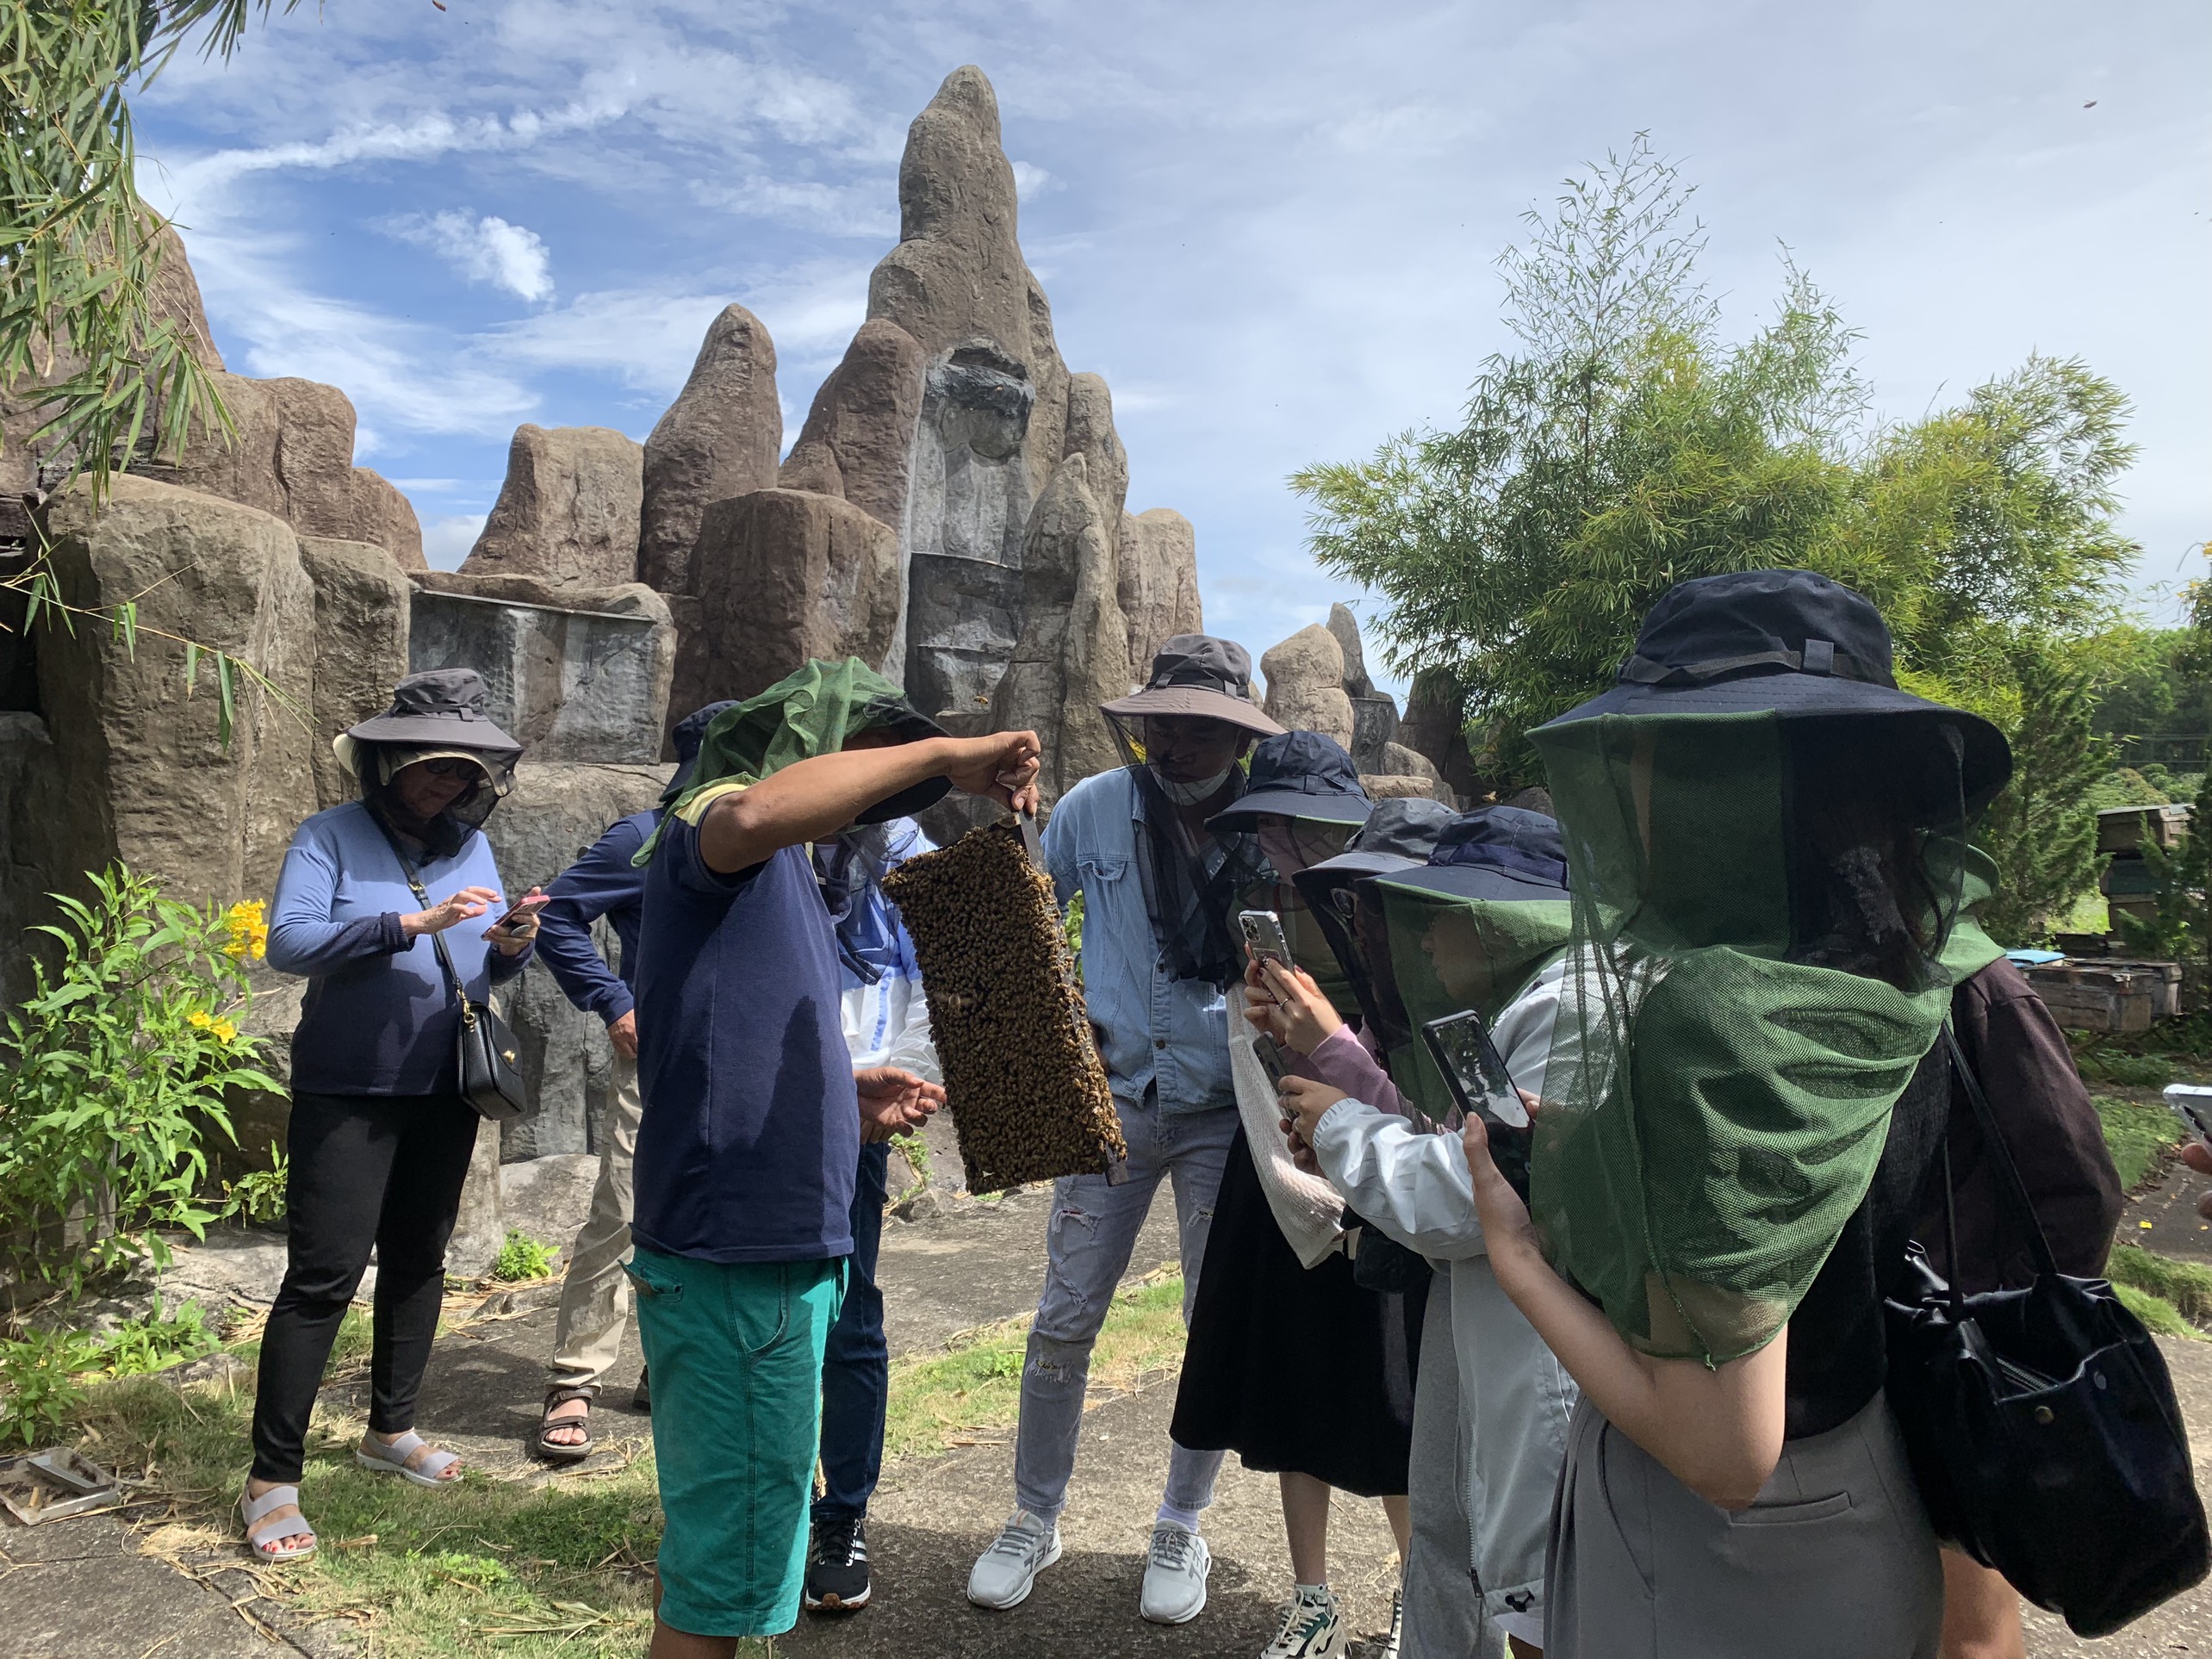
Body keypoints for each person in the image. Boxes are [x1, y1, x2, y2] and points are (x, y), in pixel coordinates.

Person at [1452, 569, 2015, 1657]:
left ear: (1743, 779)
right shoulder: (1924, 958)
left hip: (1715, 1551)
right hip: (1871, 1496)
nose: (1632, 796)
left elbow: (1723, 1448)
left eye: (1656, 762)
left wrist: (1515, 1253)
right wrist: (1601, 1144)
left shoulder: (1724, 1020)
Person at [628, 658, 1039, 1659]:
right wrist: (948, 753)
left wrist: (839, 1096)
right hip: (741, 1263)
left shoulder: (788, 883)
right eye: (871, 765)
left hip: (763, 1254)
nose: (886, 791)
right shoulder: (717, 833)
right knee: (729, 1579)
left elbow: (728, 1029)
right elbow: (754, 812)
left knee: (737, 1560)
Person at [966, 634, 1284, 1626]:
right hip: (1111, 1106)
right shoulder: (1093, 809)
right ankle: (1033, 1514)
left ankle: (1181, 1521)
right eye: (1166, 724)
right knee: (1064, 1317)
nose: (1181, 742)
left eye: (1205, 728)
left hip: (1223, 1113)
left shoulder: (1271, 824)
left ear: (1238, 736)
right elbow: (1021, 921)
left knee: (1208, 1327)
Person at [240, 668, 542, 1563]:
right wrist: (410, 926)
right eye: (434, 769)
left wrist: (511, 942)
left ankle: (390, 1432)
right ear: (387, 764)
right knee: (323, 1279)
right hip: (348, 1088)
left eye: (464, 774)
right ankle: (271, 1480)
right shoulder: (328, 836)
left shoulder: (470, 848)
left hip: (446, 1084)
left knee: (418, 1262)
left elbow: (479, 968)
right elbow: (289, 944)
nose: (448, 786)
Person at [1270, 806, 1579, 1659]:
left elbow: (1464, 1201)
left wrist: (1341, 1128)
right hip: (1487, 1323)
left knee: (1540, 1594)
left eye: (1442, 915)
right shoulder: (1524, 1005)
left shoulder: (1567, 1013)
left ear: (1503, 921)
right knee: (1463, 1540)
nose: (1421, 939)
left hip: (1540, 1351)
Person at [1167, 731, 1415, 1659]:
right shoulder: (1255, 909)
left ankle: (1412, 1588)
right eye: (1270, 824)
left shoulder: (1391, 903)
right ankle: (1310, 1597)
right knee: (1289, 1384)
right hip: (1279, 1173)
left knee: (1397, 1397)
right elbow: (1247, 1039)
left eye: (1299, 825)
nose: (1282, 842)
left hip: (1386, 1172)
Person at [1917, 858, 2124, 1659]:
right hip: (1895, 1348)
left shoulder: (1978, 984)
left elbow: (2080, 1189)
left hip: (1961, 1359)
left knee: (1969, 1626)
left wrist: (2008, 1345)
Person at [529, 700, 736, 1463]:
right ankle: (574, 1377)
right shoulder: (643, 838)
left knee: (718, 1215)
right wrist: (614, 1001)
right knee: (623, 1204)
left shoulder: (774, 842)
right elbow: (552, 916)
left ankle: (668, 1365)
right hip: (656, 1057)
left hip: (742, 1062)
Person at [804, 813, 943, 1614]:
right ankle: (769, 1508)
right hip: (757, 1103)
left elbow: (925, 978)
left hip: (861, 1108)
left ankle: (841, 1518)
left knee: (850, 1314)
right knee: (761, 1316)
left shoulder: (907, 850)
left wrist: (904, 1084)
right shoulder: (761, 827)